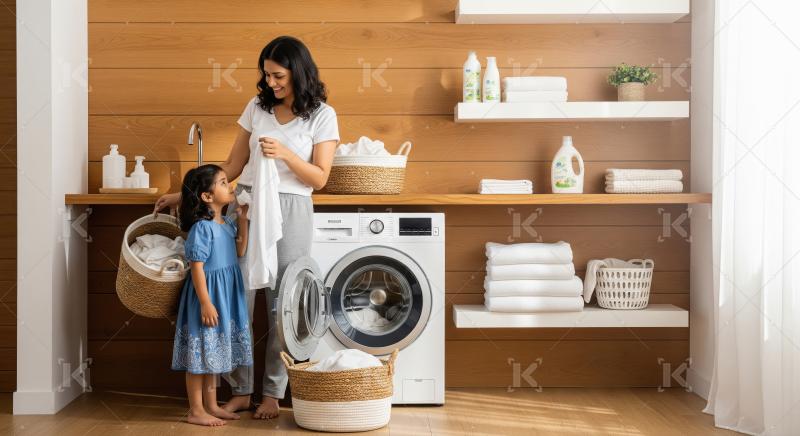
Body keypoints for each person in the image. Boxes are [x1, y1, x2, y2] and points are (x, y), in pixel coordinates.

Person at [155, 35, 340, 419]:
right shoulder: (257, 107)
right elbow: (233, 166)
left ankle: (272, 392)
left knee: (283, 305)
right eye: (267, 75)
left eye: (278, 76)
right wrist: (185, 194)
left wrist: (286, 153)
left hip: (292, 209)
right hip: (247, 205)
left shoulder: (323, 115)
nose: (271, 83)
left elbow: (320, 178)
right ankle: (240, 389)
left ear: (298, 72)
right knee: (237, 300)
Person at [171, 164, 252, 426]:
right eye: (223, 182)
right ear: (207, 197)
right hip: (207, 296)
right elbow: (196, 267)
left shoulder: (225, 224)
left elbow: (240, 251)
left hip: (225, 296)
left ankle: (211, 405)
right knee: (199, 355)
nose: (229, 186)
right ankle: (196, 409)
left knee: (212, 352)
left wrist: (242, 219)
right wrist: (205, 302)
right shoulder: (202, 229)